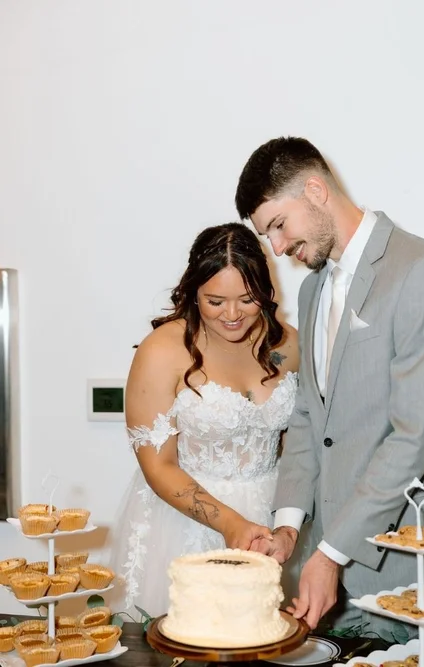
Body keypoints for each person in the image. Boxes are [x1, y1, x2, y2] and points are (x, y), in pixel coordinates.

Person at [234, 136, 424, 634]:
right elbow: (307, 418)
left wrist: (331, 553)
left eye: (278, 225)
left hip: (406, 571)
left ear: (316, 190)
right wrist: (289, 526)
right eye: (267, 235)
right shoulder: (311, 286)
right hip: (325, 570)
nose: (277, 248)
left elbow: (412, 438)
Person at [109, 222, 301, 618]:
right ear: (193, 291)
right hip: (185, 524)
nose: (232, 315)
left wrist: (287, 524)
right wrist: (229, 523)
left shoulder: (289, 344)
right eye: (215, 301)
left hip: (273, 523)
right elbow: (156, 464)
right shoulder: (163, 351)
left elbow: (299, 448)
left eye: (247, 299)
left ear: (266, 291)